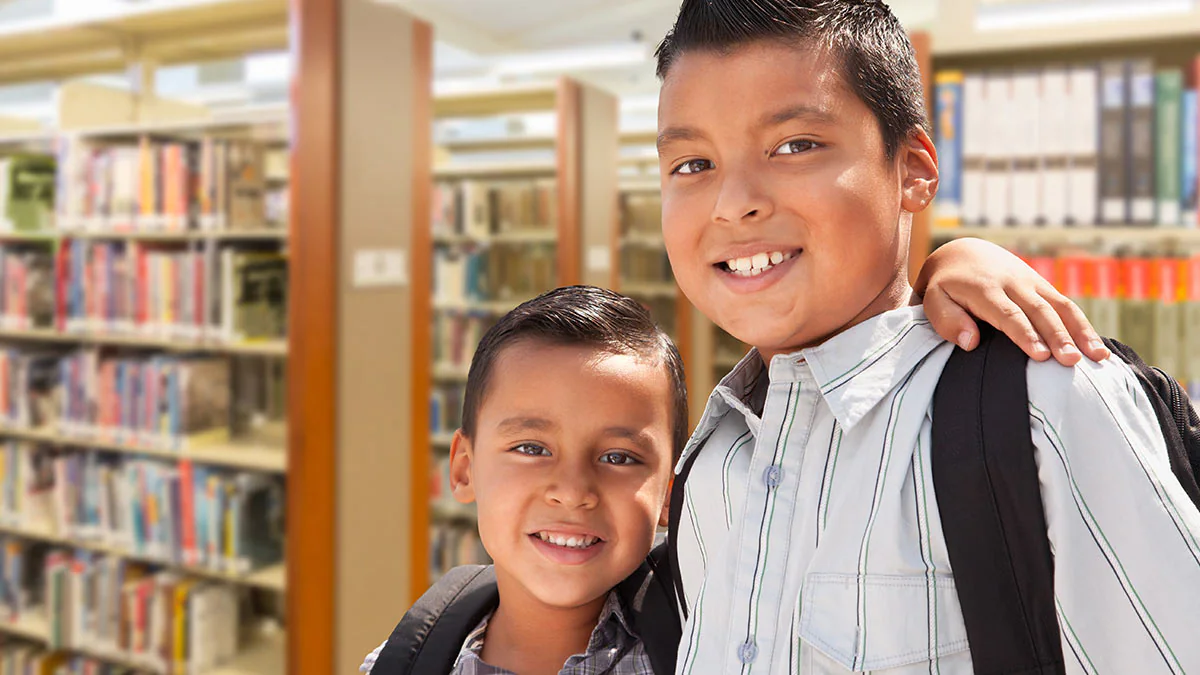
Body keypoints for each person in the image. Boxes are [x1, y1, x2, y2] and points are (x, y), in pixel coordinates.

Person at [655, 0, 1200, 672]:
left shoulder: (1044, 406)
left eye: (795, 146)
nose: (731, 201)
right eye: (690, 164)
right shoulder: (710, 468)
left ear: (913, 170)